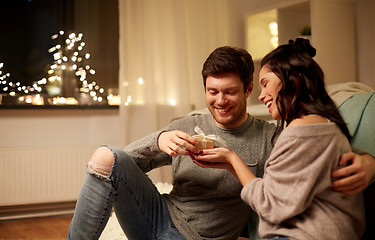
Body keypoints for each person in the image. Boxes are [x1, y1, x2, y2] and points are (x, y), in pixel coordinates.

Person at [67, 45, 375, 240]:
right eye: (212, 91)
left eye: (229, 91)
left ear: (248, 90)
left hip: (198, 236)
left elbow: (319, 147)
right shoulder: (187, 125)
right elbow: (122, 170)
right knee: (106, 156)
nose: (220, 101)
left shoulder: (271, 136)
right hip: (156, 216)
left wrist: (368, 160)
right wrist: (158, 140)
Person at [191, 39, 367, 239]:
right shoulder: (323, 126)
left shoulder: (300, 130)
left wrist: (232, 159)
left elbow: (270, 204)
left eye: (265, 84)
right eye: (213, 91)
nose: (261, 95)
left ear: (294, 81)